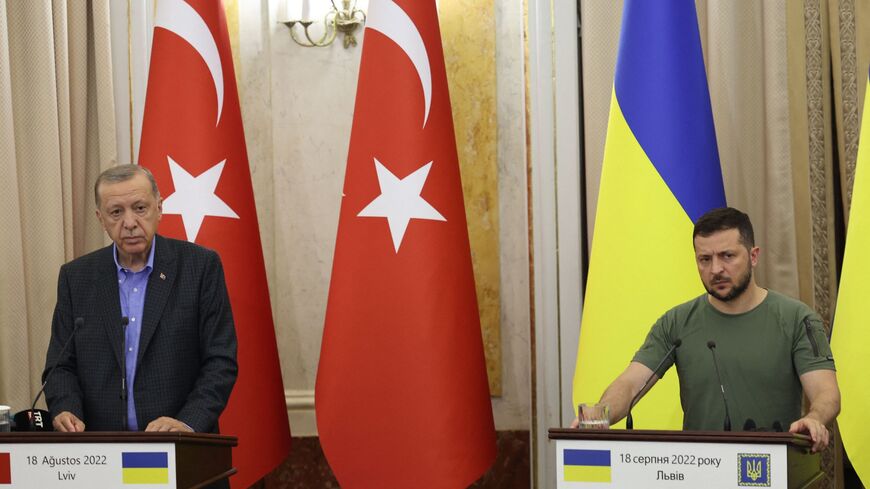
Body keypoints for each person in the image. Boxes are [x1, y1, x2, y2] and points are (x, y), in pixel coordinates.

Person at [572, 207, 840, 453]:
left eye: (727, 256)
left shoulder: (797, 318)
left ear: (754, 256)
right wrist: (596, 417)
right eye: (704, 259)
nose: (716, 269)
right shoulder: (676, 323)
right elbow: (630, 384)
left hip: (775, 469)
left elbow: (826, 393)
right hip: (700, 470)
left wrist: (814, 419)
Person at [43, 164, 238, 434]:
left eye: (140, 208)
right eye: (116, 212)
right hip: (101, 451)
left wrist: (187, 422)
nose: (130, 222)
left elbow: (220, 360)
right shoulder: (77, 277)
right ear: (101, 218)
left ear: (159, 207)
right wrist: (66, 408)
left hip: (182, 450)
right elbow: (60, 365)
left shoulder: (200, 267)